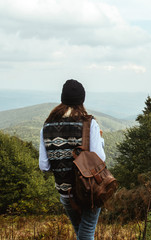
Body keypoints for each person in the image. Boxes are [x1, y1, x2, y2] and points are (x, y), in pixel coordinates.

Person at [39, 79, 105, 240]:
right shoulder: (89, 124)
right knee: (86, 233)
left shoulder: (46, 127)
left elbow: (44, 166)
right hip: (88, 189)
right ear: (82, 100)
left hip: (65, 192)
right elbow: (100, 159)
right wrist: (100, 140)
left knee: (81, 232)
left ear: (63, 99)